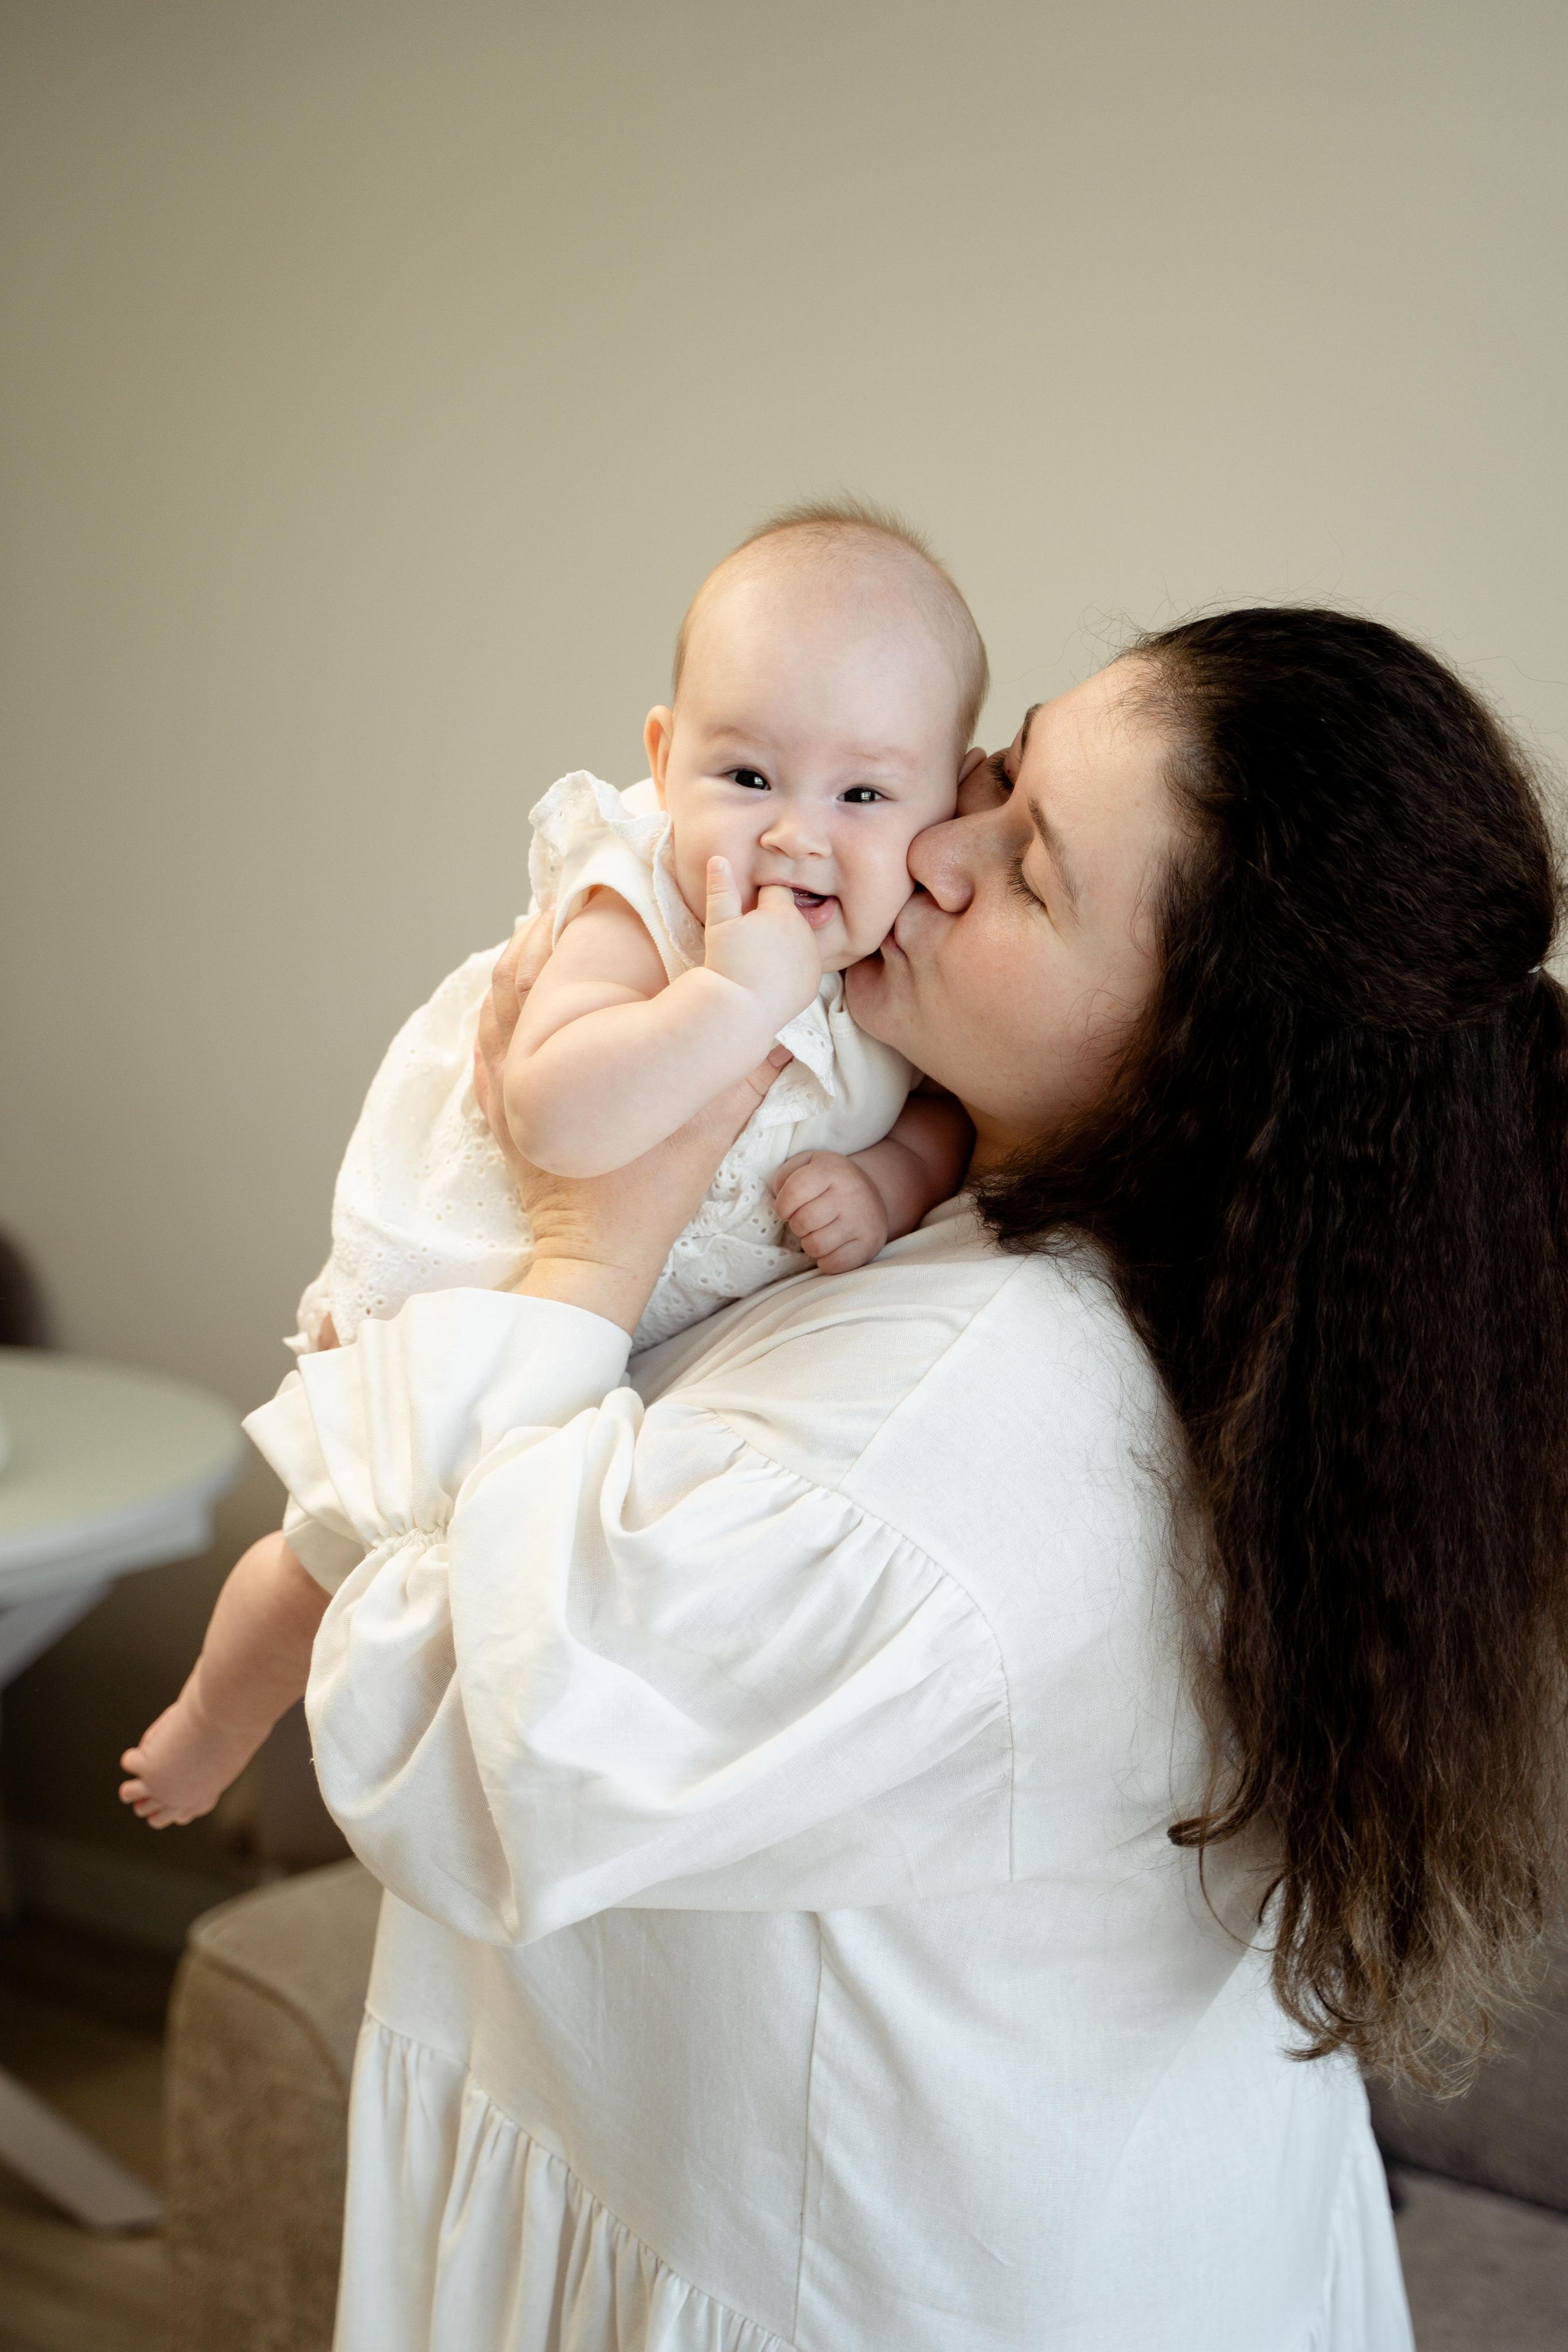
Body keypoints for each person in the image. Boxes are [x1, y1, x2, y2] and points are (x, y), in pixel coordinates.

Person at [246, 610, 1568, 2348]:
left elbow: (440, 1739)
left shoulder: (944, 1452)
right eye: (1002, 774)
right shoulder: (1177, 1299)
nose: (922, 848)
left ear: (1201, 1064)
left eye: (1029, 873)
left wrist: (582, 1252)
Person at [118, 502, 979, 1830]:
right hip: (492, 1296)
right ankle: (213, 1720)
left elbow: (942, 1125)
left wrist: (888, 1182)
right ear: (662, 754)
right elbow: (558, 1120)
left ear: (942, 803)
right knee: (326, 1559)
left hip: (630, 1359)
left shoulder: (893, 959)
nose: (797, 835)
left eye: (862, 793)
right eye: (746, 777)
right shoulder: (640, 907)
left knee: (500, 1585)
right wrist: (724, 1008)